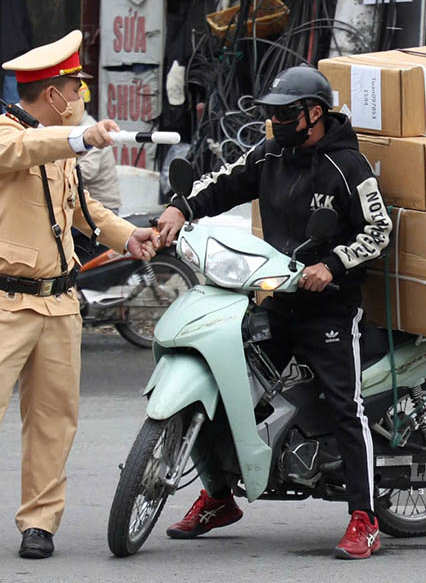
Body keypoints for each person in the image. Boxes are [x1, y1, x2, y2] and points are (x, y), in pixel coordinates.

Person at [0, 30, 159, 565]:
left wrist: (127, 235)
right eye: (77, 89)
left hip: (58, 303)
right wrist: (81, 138)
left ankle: (39, 522)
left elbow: (82, 209)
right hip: (2, 304)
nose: (81, 98)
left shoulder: (57, 142)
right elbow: (22, 151)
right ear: (54, 93)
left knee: (54, 421)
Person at [156, 65, 392, 560]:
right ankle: (220, 496)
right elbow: (224, 183)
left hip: (330, 309)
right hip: (277, 298)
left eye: (286, 114)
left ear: (315, 114)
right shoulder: (270, 154)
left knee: (345, 407)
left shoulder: (348, 167)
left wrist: (331, 265)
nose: (276, 122)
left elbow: (378, 231)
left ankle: (365, 518)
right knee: (226, 386)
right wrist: (181, 208)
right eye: (272, 114)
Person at [75, 82, 122, 213]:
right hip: (84, 204)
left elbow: (88, 171)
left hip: (102, 206)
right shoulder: (74, 127)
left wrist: (58, 173)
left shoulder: (90, 129)